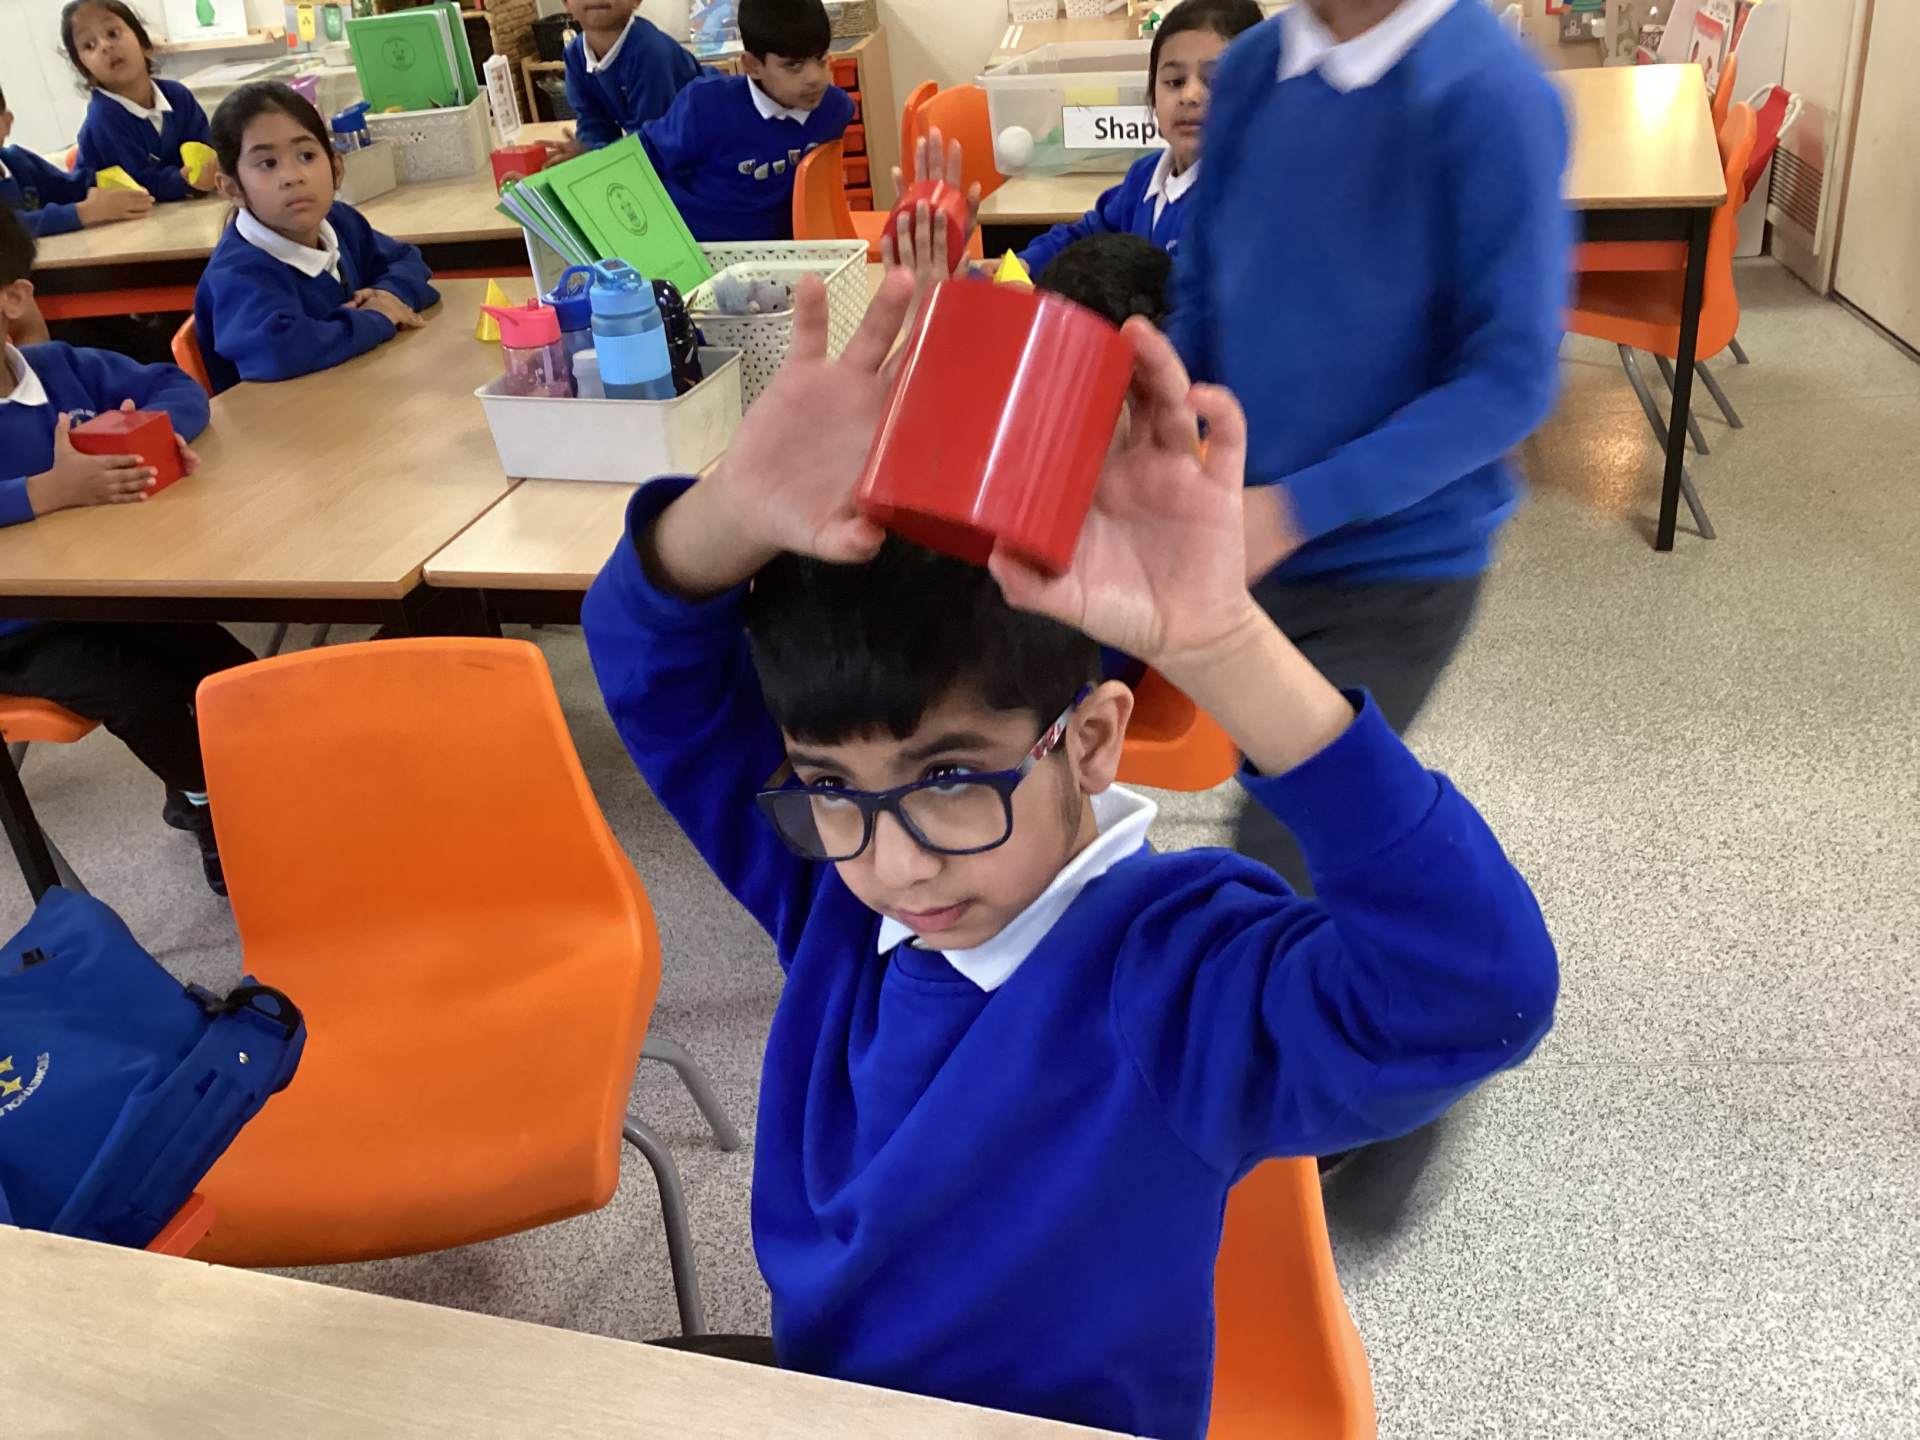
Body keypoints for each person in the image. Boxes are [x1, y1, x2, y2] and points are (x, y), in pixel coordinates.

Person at [579, 271, 1559, 1439]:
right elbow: (645, 655)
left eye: (953, 780)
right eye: (832, 787)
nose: (898, 866)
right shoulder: (836, 896)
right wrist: (736, 506)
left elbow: (1476, 993)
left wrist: (1222, 643)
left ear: (1089, 742)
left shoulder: (1176, 977)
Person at [1167, 0, 1570, 894]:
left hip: (1394, 567)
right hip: (1247, 545)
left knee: (1284, 859)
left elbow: (1509, 379)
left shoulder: (1489, 93)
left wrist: (1294, 508)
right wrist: (1155, 405)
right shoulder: (1255, 69)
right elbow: (1205, 292)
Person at [0, 205, 251, 896]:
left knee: (226, 669)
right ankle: (208, 806)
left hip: (115, 589)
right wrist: (44, 492)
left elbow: (173, 386)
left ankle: (270, 781)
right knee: (141, 694)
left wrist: (158, 432)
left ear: (13, 298)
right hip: (17, 630)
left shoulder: (60, 368)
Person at [194, 84, 439, 391]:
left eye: (307, 156)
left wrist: (388, 295)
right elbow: (277, 352)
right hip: (282, 417)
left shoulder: (340, 223)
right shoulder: (238, 273)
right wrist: (377, 318)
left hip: (356, 394)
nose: (293, 176)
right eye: (268, 164)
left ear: (336, 168)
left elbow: (408, 261)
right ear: (232, 188)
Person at [1018, 0, 1263, 275]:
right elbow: (1088, 237)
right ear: (1152, 97)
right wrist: (1026, 264)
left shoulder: (1246, 200)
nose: (1190, 96)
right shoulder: (1143, 177)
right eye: (1175, 82)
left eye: (1214, 81)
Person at [640, 0, 852, 241]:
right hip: (696, 247)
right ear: (753, 66)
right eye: (793, 65)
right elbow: (637, 161)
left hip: (783, 252)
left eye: (821, 59)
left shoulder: (834, 111)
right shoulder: (705, 106)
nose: (815, 78)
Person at [64, 0, 216, 203]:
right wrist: (183, 181)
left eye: (113, 33)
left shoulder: (177, 95)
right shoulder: (103, 117)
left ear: (143, 43)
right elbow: (137, 179)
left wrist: (209, 168)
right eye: (89, 45)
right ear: (85, 69)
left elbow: (203, 143)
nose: (105, 46)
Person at [0, 84, 153, 238]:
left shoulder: (17, 161)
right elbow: (6, 230)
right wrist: (84, 212)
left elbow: (67, 187)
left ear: (7, 121)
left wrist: (109, 185)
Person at [558, 0, 703, 154]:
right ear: (566, 2)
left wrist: (592, 153)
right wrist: (586, 152)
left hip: (703, 150)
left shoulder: (652, 52)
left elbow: (654, 141)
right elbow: (593, 122)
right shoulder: (575, 55)